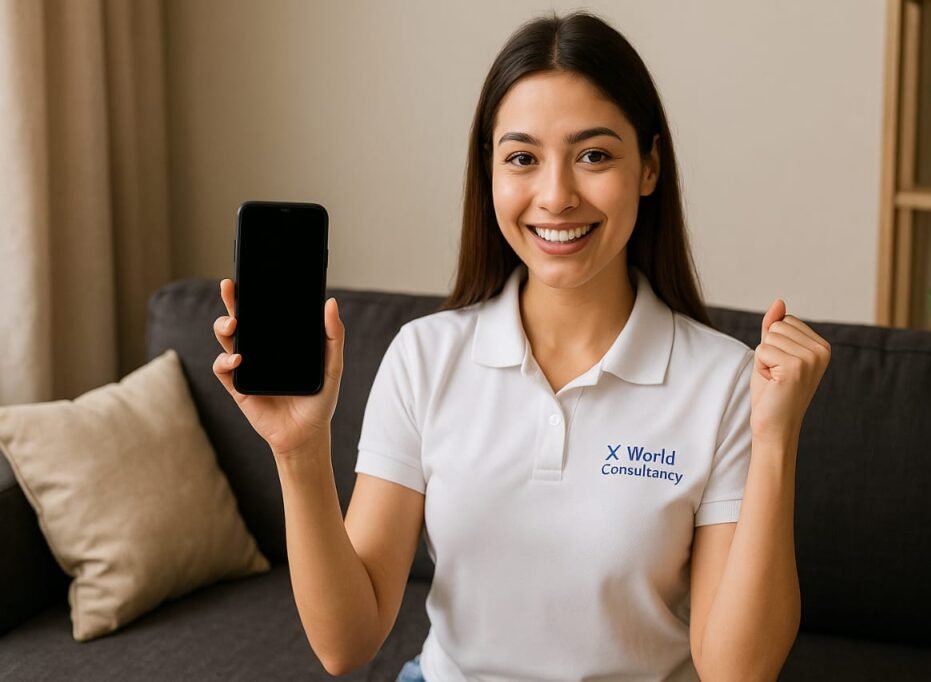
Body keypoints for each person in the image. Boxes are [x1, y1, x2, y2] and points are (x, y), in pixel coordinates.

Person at [212, 10, 830, 682]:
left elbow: (738, 674)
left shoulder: (723, 380)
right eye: (523, 159)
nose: (556, 195)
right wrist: (299, 453)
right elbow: (347, 643)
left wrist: (776, 441)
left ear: (649, 166)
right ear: (491, 173)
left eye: (594, 155)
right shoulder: (424, 358)